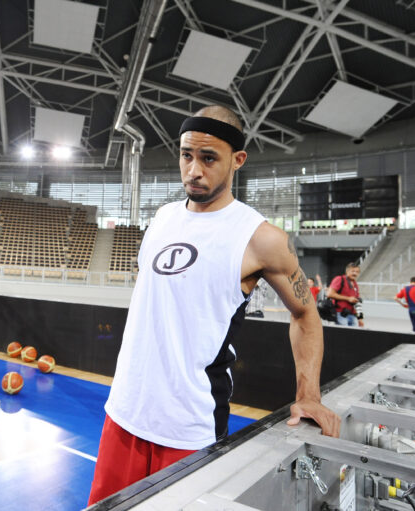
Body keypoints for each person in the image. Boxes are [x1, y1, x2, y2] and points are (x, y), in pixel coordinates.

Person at [87, 105, 340, 505]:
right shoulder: (162, 217)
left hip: (190, 426)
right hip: (123, 413)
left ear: (238, 160)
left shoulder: (261, 238)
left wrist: (309, 394)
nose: (193, 170)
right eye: (186, 155)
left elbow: (306, 313)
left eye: (208, 158)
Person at [327, 263, 363, 327]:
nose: (355, 273)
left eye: (357, 272)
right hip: (340, 314)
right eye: (353, 271)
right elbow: (329, 294)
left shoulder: (355, 284)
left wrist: (360, 319)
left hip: (352, 316)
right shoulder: (339, 279)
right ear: (347, 271)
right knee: (343, 333)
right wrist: (348, 298)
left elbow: (358, 302)